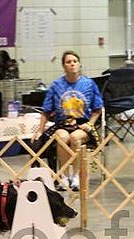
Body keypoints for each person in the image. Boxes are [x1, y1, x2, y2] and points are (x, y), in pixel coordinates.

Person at [31, 50, 103, 191]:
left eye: (75, 61)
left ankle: (76, 177)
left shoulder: (89, 84)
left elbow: (98, 108)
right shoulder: (56, 85)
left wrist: (90, 124)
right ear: (64, 66)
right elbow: (46, 111)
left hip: (83, 124)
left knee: (75, 138)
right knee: (62, 137)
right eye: (68, 62)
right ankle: (64, 176)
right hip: (62, 124)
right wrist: (39, 130)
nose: (72, 64)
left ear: (79, 64)